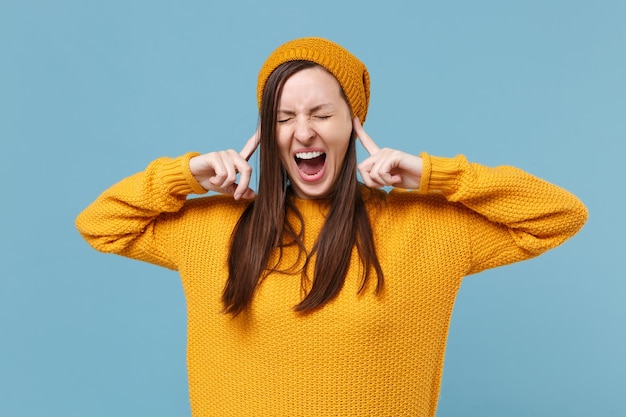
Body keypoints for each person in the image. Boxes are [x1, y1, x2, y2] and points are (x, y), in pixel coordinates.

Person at [76, 37, 588, 417]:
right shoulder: (213, 228)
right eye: (283, 117)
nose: (303, 131)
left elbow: (558, 214)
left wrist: (431, 174)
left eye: (322, 113)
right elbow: (101, 224)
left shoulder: (426, 228)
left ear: (354, 123)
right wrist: (186, 175)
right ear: (266, 131)